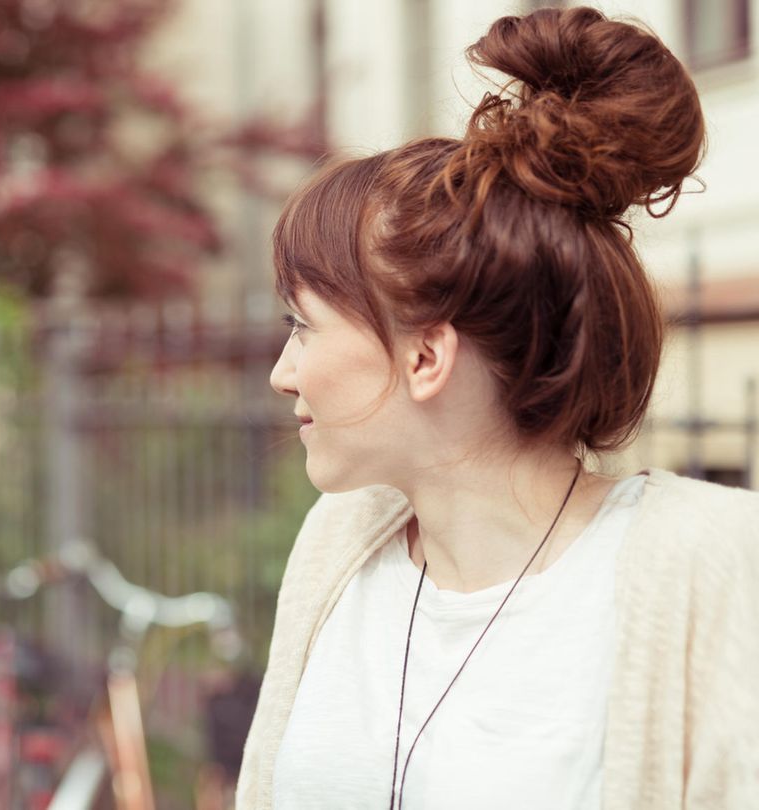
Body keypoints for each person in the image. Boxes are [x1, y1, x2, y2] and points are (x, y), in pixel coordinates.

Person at [236, 7, 759, 810]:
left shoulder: (710, 563)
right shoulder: (340, 545)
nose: (282, 372)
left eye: (303, 326)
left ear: (424, 356)